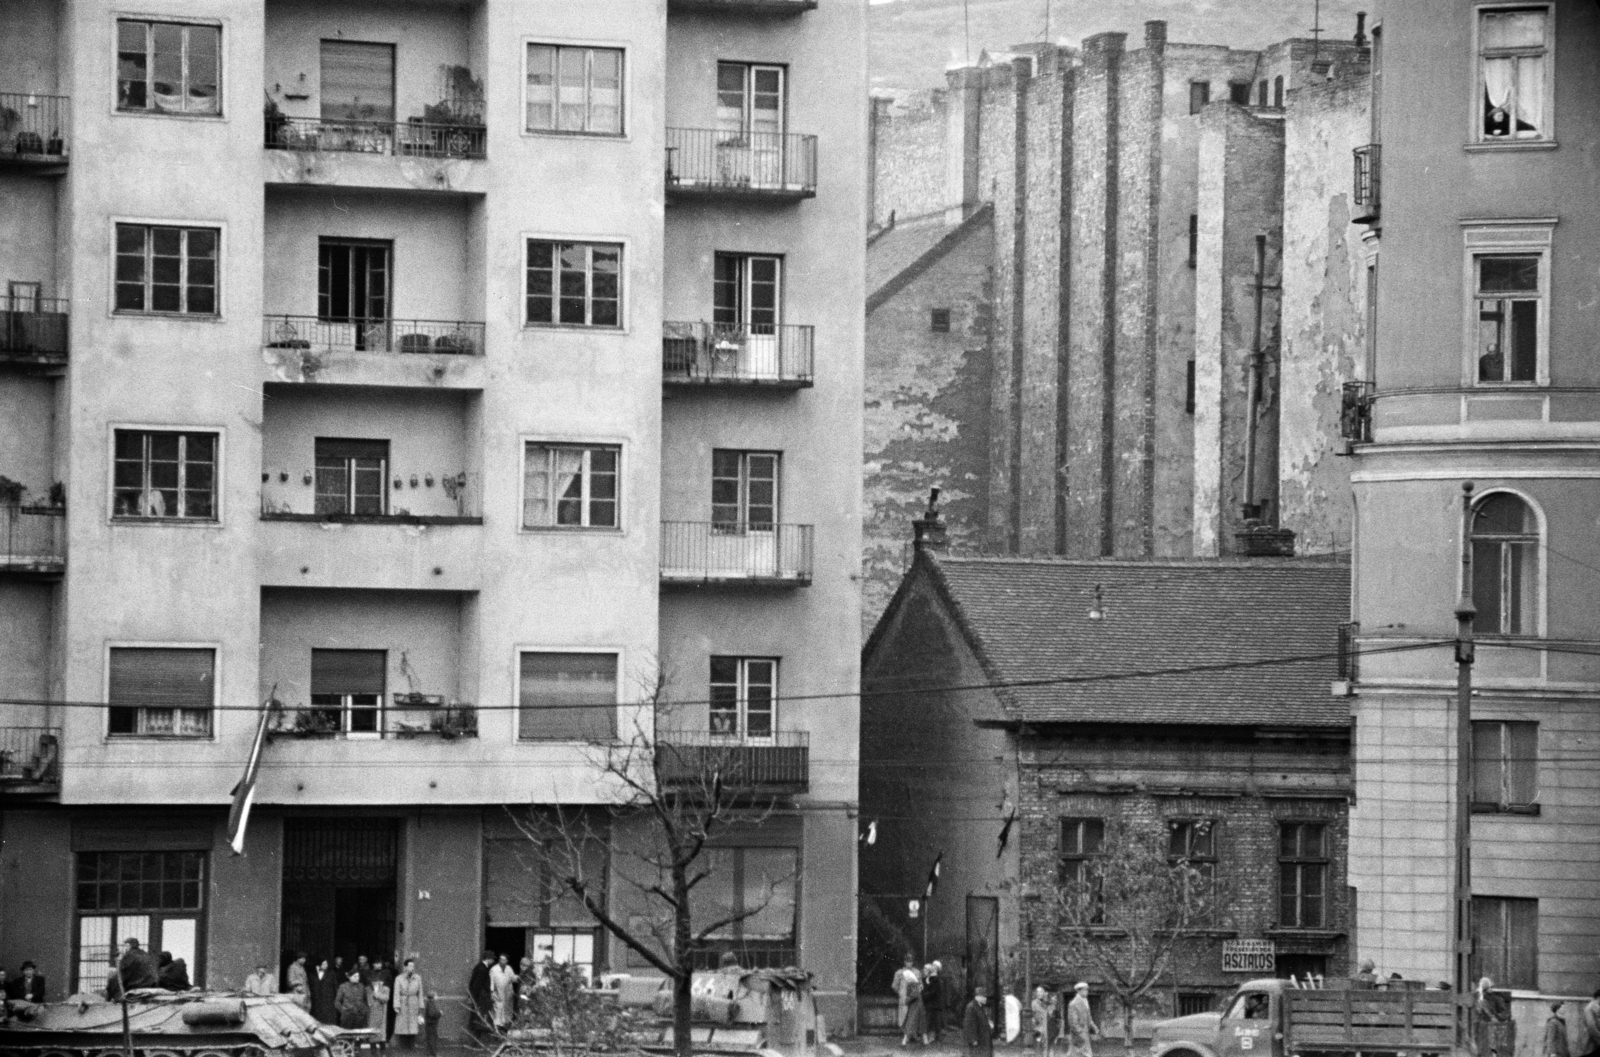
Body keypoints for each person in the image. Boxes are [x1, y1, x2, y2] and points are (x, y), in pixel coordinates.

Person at [393, 958, 424, 1050]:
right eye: (410, 966)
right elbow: (396, 992)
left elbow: (420, 992)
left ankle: (411, 1046)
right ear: (405, 967)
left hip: (413, 1002)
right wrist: (396, 1005)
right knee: (402, 1023)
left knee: (413, 1023)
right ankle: (403, 1046)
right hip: (403, 1002)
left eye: (413, 966)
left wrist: (421, 1005)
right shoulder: (399, 978)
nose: (412, 968)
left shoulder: (417, 978)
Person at [1066, 982, 1098, 1057]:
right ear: (1079, 991)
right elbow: (1073, 1023)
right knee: (1080, 1054)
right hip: (1078, 1036)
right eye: (1085, 990)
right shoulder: (1073, 1004)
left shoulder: (1085, 1001)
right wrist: (1081, 1033)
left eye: (1087, 990)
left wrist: (1094, 1027)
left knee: (1084, 1054)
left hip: (1085, 1033)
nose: (1087, 992)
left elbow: (1088, 1017)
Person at [468, 950, 495, 1038]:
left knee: (479, 1018)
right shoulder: (482, 968)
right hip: (480, 998)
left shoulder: (479, 967)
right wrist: (473, 998)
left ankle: (477, 1040)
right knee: (479, 1018)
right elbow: (477, 984)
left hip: (479, 997)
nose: (493, 961)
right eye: (492, 959)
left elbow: (473, 983)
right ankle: (476, 1040)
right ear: (488, 959)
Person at [894, 954, 921, 1036]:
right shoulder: (899, 972)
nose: (909, 963)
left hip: (914, 997)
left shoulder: (917, 972)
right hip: (904, 997)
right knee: (903, 1015)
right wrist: (901, 993)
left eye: (911, 961)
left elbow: (920, 985)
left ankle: (913, 1034)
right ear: (904, 962)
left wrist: (917, 993)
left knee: (914, 1015)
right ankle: (904, 1033)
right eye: (907, 961)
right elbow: (895, 985)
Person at [964, 987, 995, 1057]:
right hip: (978, 1040)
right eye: (984, 997)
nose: (986, 999)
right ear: (978, 997)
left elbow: (981, 1020)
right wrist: (972, 1039)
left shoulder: (980, 1006)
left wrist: (989, 1024)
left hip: (984, 1040)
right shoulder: (971, 1007)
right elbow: (968, 1024)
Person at [490, 953, 516, 1030]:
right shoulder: (494, 969)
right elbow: (491, 981)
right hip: (498, 993)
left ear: (507, 961)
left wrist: (518, 978)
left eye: (503, 959)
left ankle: (505, 1030)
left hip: (507, 993)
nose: (501, 961)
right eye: (500, 959)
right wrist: (491, 992)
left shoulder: (509, 968)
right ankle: (497, 1030)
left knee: (507, 1011)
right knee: (498, 1010)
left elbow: (513, 978)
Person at [901, 968, 926, 1047]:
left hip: (915, 1005)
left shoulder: (913, 984)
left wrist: (907, 1000)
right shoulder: (915, 983)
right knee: (921, 1023)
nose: (906, 979)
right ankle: (925, 1041)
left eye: (906, 977)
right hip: (917, 1005)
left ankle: (904, 1041)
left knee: (910, 1023)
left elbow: (914, 995)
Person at [311, 958, 339, 1024]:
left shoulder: (331, 973)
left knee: (328, 1018)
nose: (325, 965)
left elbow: (335, 986)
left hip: (328, 999)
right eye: (323, 964)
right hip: (318, 1000)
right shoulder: (313, 973)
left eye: (326, 964)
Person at [923, 963, 945, 1044]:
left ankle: (938, 1038)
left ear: (936, 969)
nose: (932, 967)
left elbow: (935, 991)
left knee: (937, 1022)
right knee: (929, 1021)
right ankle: (929, 1038)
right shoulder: (929, 978)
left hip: (936, 1004)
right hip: (930, 1004)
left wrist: (925, 995)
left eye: (934, 966)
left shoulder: (937, 980)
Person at [1032, 986, 1058, 1051]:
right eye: (1037, 991)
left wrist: (1053, 1004)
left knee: (1050, 1050)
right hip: (1039, 1031)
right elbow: (1032, 1017)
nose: (1038, 993)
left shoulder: (1050, 1004)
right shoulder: (1034, 1003)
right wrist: (1036, 1029)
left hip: (1050, 1032)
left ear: (1045, 993)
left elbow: (1054, 1017)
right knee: (1039, 1050)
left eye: (1040, 991)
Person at [368, 971, 391, 1037]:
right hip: (372, 1012)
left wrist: (378, 995)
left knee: (381, 1030)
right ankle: (372, 1042)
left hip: (382, 1010)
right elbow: (369, 1000)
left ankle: (382, 1043)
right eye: (374, 981)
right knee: (372, 1028)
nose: (377, 983)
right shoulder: (369, 989)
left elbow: (386, 998)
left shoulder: (385, 988)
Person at [422, 992, 443, 1057]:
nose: (437, 997)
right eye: (436, 995)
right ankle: (433, 1054)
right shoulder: (431, 1004)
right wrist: (440, 1013)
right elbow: (432, 1014)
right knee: (432, 1039)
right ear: (433, 997)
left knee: (431, 1039)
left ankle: (430, 1053)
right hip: (431, 1024)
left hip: (430, 1024)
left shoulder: (429, 1003)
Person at [1581, 989, 1600, 1057]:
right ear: (1598, 998)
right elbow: (1591, 1027)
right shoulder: (1589, 1008)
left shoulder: (1596, 1008)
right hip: (1591, 1041)